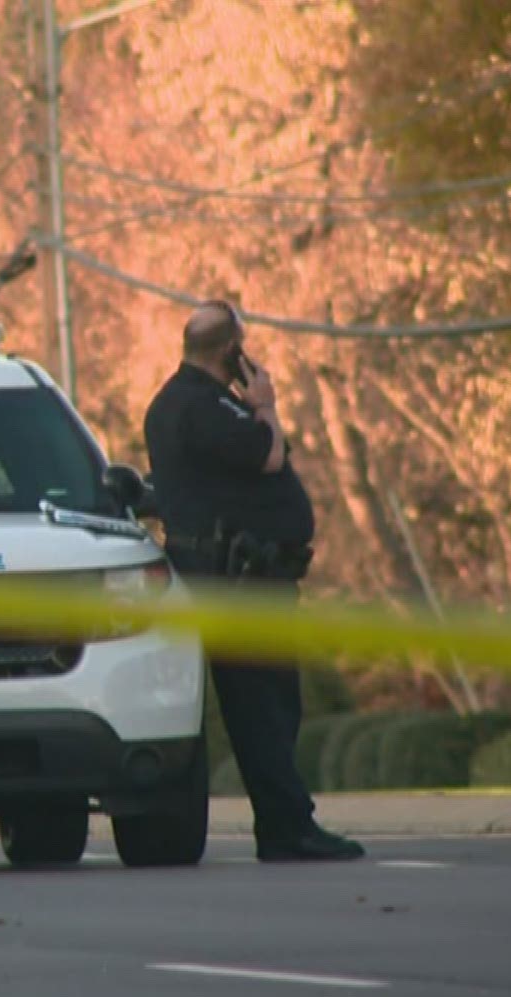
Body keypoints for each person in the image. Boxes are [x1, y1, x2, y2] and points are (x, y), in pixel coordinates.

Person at [142, 301, 365, 862]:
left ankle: (285, 822)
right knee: (263, 707)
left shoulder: (193, 403)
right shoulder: (203, 406)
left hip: (236, 578)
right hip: (235, 581)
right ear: (231, 352)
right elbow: (269, 455)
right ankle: (288, 827)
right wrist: (266, 406)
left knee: (268, 704)